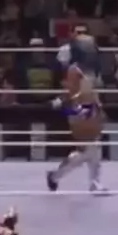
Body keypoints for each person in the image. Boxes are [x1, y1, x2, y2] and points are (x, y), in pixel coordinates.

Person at [46, 31, 107, 194]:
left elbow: (92, 91)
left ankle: (57, 176)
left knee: (91, 148)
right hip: (79, 112)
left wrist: (99, 107)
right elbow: (72, 93)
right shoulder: (74, 70)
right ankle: (90, 182)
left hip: (90, 110)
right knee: (89, 149)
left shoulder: (90, 70)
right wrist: (70, 105)